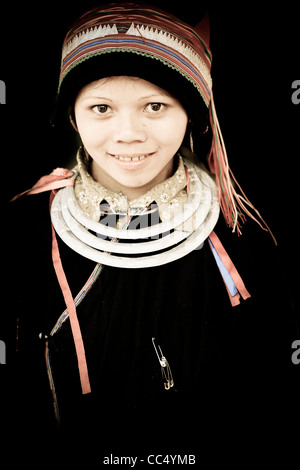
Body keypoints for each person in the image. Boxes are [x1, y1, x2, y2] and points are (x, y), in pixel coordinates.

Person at [8, 2, 298, 465]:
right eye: (101, 107)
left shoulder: (237, 227)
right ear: (71, 117)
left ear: (192, 115)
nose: (128, 134)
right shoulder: (23, 229)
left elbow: (272, 383)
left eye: (156, 106)